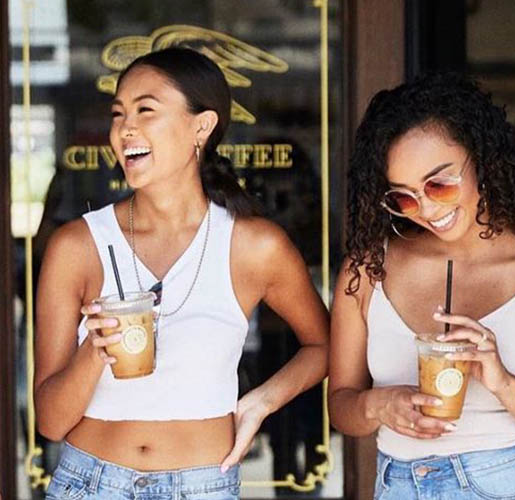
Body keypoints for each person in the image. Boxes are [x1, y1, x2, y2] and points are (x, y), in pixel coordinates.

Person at [34, 47, 329, 500]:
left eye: (145, 110)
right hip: (90, 484)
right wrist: (94, 351)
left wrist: (261, 402)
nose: (125, 128)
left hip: (201, 485)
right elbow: (51, 423)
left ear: (202, 126)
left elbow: (325, 345)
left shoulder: (253, 246)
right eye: (118, 114)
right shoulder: (77, 246)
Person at [328, 73, 515, 499]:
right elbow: (341, 405)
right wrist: (377, 405)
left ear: (482, 159)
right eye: (403, 197)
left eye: (439, 184)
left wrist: (503, 382)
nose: (426, 210)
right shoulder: (367, 269)